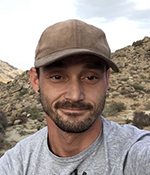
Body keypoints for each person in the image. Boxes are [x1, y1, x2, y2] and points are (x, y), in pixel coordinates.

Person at [0, 19, 150, 175]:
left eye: (90, 78)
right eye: (57, 77)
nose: (75, 95)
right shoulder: (16, 164)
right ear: (36, 81)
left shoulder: (134, 154)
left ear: (107, 80)